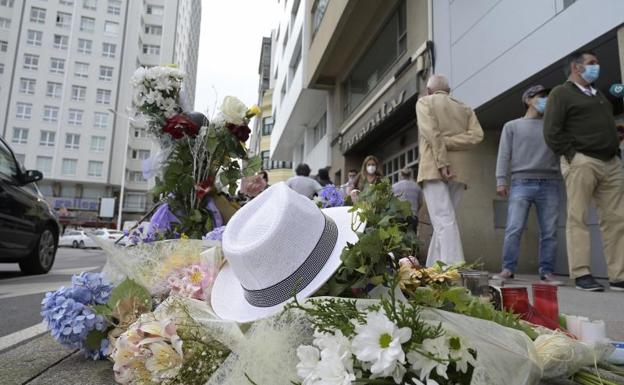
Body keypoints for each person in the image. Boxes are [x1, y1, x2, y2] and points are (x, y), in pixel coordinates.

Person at [544, 50, 624, 292]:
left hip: (611, 162)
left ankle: (618, 275)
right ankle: (581, 274)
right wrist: (572, 155)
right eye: (591, 63)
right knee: (577, 217)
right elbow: (551, 131)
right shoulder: (561, 93)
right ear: (575, 68)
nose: (596, 67)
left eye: (596, 63)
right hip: (582, 160)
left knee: (617, 219)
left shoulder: (598, 95)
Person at [493, 85, 563, 285]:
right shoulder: (512, 126)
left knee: (549, 231)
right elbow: (504, 155)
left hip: (549, 182)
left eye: (547, 97)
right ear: (528, 100)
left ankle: (547, 272)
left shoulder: (552, 126)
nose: (546, 100)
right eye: (542, 97)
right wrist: (501, 180)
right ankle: (508, 269)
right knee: (514, 228)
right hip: (520, 182)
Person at [416, 74, 484, 267]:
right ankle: (433, 268)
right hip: (460, 171)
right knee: (446, 220)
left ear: (429, 90)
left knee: (443, 220)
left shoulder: (425, 102)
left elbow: (431, 133)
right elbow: (477, 136)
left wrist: (442, 158)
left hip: (433, 166)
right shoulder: (464, 108)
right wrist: (452, 141)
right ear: (449, 91)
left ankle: (453, 269)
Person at [392, 168, 423, 233]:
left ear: (400, 175)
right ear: (410, 175)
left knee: (400, 237)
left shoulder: (394, 187)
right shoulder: (417, 186)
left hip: (399, 216)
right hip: (413, 216)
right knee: (412, 237)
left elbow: (392, 202)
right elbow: (420, 203)